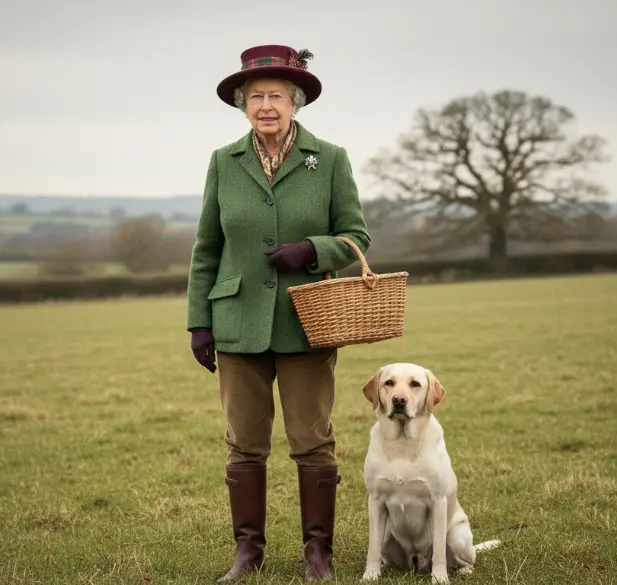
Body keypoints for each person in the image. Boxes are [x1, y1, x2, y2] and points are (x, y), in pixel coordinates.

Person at [185, 44, 372, 582]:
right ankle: (248, 554)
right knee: (244, 441)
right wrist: (199, 320)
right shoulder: (224, 161)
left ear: (296, 102)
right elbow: (207, 248)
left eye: (276, 96)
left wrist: (312, 250)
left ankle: (319, 554)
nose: (266, 105)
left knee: (312, 438)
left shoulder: (330, 158)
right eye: (256, 97)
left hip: (306, 321)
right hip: (236, 321)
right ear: (243, 105)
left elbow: (356, 235)